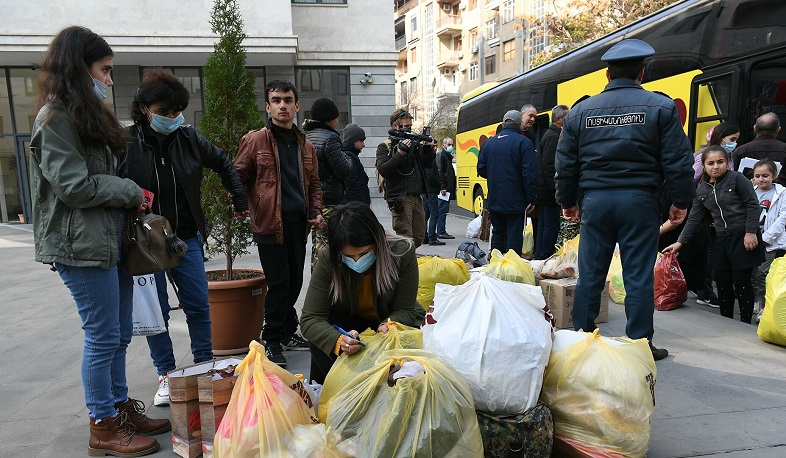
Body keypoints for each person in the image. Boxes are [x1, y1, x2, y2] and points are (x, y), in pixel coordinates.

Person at [30, 26, 168, 456]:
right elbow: (73, 186)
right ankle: (102, 426)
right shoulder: (54, 118)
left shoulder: (84, 115)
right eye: (104, 70)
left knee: (120, 333)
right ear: (78, 68)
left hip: (108, 242)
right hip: (80, 247)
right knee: (103, 335)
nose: (110, 80)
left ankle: (118, 408)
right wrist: (128, 191)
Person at [555, 39, 695, 361]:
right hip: (640, 202)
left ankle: (582, 340)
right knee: (637, 276)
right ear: (641, 73)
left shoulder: (579, 113)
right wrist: (680, 200)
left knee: (590, 273)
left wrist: (568, 201)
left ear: (607, 74)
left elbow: (565, 164)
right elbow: (678, 160)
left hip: (596, 202)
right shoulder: (660, 108)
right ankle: (639, 345)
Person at [122, 69, 249, 406]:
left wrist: (239, 199)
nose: (173, 117)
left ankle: (205, 365)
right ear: (145, 108)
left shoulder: (189, 139)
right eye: (165, 111)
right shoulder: (126, 143)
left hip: (185, 237)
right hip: (143, 241)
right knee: (156, 311)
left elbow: (224, 163)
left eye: (177, 111)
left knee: (197, 304)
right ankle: (166, 374)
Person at [235, 80, 324, 368]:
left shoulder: (305, 144)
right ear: (268, 106)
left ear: (297, 106)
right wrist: (241, 204)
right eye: (276, 100)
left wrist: (316, 209)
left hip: (299, 224)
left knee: (296, 281)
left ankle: (286, 331)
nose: (282, 105)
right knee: (280, 283)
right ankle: (271, 338)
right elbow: (238, 176)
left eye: (287, 100)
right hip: (270, 224)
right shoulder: (255, 140)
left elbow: (314, 184)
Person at [300, 202, 426, 383]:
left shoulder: (402, 252)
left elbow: (405, 309)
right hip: (348, 326)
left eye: (365, 253)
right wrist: (339, 341)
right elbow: (310, 319)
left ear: (378, 241)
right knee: (320, 338)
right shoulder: (329, 258)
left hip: (387, 320)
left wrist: (389, 326)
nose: (357, 261)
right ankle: (338, 391)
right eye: (349, 257)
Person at [663, 146, 764, 324]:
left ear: (727, 163)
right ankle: (727, 321)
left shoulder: (737, 179)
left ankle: (745, 322)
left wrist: (750, 232)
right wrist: (679, 243)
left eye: (720, 162)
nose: (715, 166)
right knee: (723, 280)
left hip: (743, 236)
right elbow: (693, 219)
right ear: (704, 166)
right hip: (721, 238)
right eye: (710, 163)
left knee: (741, 280)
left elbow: (752, 205)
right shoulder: (702, 189)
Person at [477, 110, 538, 254]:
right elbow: (529, 174)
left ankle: (495, 267)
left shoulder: (489, 143)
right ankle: (511, 270)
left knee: (498, 234)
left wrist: (495, 176)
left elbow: (481, 169)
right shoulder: (524, 143)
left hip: (495, 198)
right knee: (514, 237)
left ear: (503, 124)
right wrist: (531, 198)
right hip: (516, 200)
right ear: (518, 124)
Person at [303, 98, 353, 269]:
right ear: (330, 119)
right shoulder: (331, 138)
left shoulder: (306, 136)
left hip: (313, 201)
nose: (337, 121)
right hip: (329, 200)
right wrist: (347, 156)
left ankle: (317, 284)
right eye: (336, 117)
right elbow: (344, 169)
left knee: (318, 245)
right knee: (328, 247)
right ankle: (325, 288)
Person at [376, 108, 436, 247]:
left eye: (411, 126)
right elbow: (384, 169)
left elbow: (427, 165)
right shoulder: (385, 146)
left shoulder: (413, 144)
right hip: (400, 198)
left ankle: (409, 260)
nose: (409, 130)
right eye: (406, 127)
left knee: (419, 237)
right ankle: (404, 264)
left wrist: (429, 149)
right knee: (404, 237)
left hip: (417, 197)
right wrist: (400, 153)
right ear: (395, 126)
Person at [750, 159, 786, 322]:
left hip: (769, 241)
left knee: (764, 273)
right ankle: (757, 300)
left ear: (774, 175)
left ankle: (763, 305)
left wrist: (766, 238)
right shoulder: (751, 190)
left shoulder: (781, 193)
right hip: (750, 239)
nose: (761, 179)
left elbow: (782, 218)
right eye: (757, 176)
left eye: (765, 175)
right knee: (752, 274)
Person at [534, 105, 569, 260]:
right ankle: (545, 256)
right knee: (550, 226)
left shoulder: (550, 135)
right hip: (548, 193)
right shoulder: (553, 137)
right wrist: (556, 191)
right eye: (567, 116)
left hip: (544, 191)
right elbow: (549, 167)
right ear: (559, 119)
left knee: (544, 225)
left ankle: (540, 256)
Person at [732, 112, 786, 186]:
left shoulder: (740, 151)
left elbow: (735, 177)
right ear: (778, 129)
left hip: (748, 195)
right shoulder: (784, 149)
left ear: (755, 128)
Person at [341, 123, 371, 205]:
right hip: (355, 207)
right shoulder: (349, 158)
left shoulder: (350, 156)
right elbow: (352, 185)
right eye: (361, 141)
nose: (363, 145)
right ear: (352, 140)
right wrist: (361, 207)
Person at [435, 137, 457, 239]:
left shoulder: (447, 156)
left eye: (452, 145)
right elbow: (440, 172)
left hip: (447, 188)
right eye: (449, 145)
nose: (451, 147)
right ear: (443, 145)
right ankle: (441, 231)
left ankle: (440, 230)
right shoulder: (442, 155)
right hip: (444, 190)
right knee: (442, 210)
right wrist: (442, 187)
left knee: (443, 210)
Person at [423, 149, 445, 246]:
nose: (435, 148)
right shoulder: (429, 160)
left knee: (426, 214)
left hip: (426, 191)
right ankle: (432, 237)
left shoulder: (423, 158)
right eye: (434, 146)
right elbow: (431, 176)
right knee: (434, 214)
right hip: (431, 191)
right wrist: (440, 184)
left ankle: (424, 236)